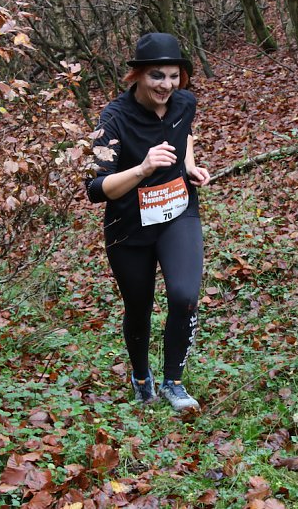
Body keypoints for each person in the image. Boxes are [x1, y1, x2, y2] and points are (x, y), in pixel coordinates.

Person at [85, 32, 211, 411]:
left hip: (178, 213)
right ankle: (142, 376)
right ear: (137, 75)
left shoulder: (184, 101)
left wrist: (188, 166)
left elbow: (184, 131)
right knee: (138, 306)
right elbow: (95, 188)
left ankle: (174, 381)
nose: (166, 85)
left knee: (185, 296)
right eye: (157, 76)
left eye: (174, 76)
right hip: (129, 226)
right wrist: (142, 168)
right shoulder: (112, 120)